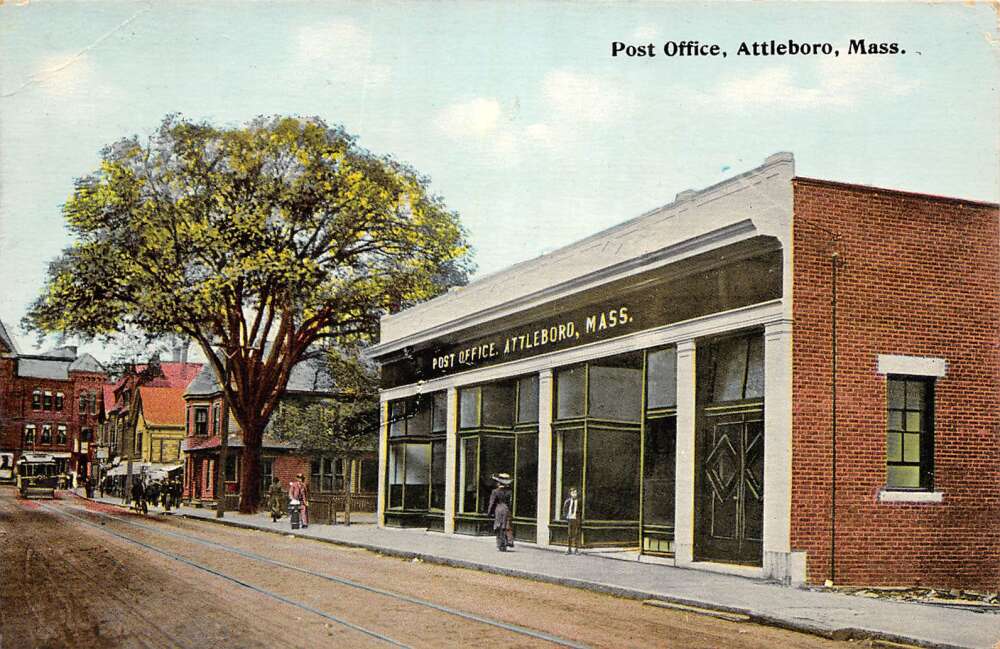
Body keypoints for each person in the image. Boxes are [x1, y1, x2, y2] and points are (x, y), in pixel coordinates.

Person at [487, 473, 513, 552]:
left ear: (498, 483)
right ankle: (508, 541)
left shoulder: (495, 491)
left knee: (499, 527)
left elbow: (492, 503)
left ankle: (501, 544)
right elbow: (510, 502)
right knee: (506, 526)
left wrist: (489, 512)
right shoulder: (509, 491)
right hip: (506, 509)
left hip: (498, 509)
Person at [562, 486, 581, 555]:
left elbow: (580, 511)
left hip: (576, 519)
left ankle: (576, 549)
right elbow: (564, 510)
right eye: (573, 493)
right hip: (570, 519)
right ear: (570, 493)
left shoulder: (579, 501)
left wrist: (579, 519)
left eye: (575, 493)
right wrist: (566, 517)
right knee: (569, 534)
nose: (574, 494)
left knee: (576, 534)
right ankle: (569, 549)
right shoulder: (567, 501)